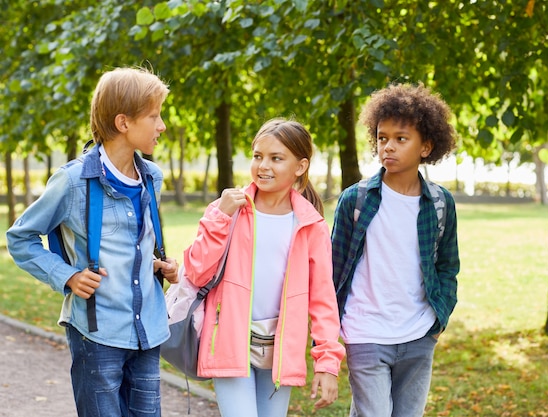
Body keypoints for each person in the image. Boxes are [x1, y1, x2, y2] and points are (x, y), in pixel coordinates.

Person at [6, 66, 179, 417]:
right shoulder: (72, 182)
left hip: (148, 329)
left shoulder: (152, 177)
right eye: (154, 116)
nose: (161, 126)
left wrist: (161, 263)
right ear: (123, 122)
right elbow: (20, 237)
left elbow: (138, 243)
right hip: (97, 334)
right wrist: (67, 275)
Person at [183, 118, 345, 417]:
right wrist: (221, 216)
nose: (263, 166)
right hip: (230, 340)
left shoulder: (311, 226)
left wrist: (327, 362)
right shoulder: (227, 210)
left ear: (300, 166)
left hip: (279, 352)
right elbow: (196, 270)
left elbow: (323, 301)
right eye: (258, 156)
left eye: (276, 158)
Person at [331, 83, 460, 417]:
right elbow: (334, 269)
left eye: (401, 139)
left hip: (418, 333)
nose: (388, 146)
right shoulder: (355, 200)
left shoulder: (440, 203)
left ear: (426, 146)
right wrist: (332, 330)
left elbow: (448, 266)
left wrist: (438, 318)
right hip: (365, 332)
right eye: (382, 137)